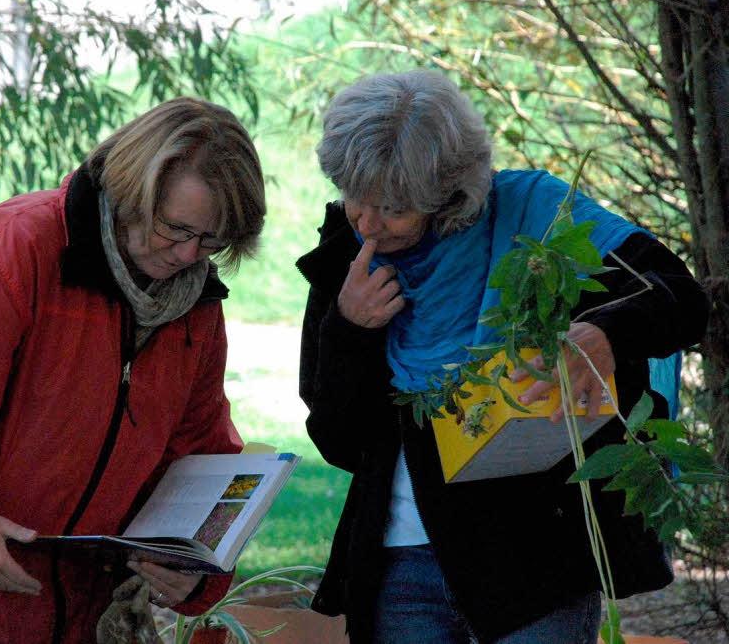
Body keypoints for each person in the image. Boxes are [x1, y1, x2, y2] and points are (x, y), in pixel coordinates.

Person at [296, 70, 709, 643]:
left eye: (392, 208)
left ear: (446, 195)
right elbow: (339, 441)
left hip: (537, 561)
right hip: (401, 562)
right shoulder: (350, 260)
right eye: (354, 198)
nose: (366, 222)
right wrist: (348, 329)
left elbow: (679, 296)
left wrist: (603, 334)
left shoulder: (533, 215)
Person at [0, 97, 266, 643]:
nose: (188, 255)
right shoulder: (9, 251)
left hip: (71, 614)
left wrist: (196, 562)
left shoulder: (196, 304)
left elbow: (198, 451)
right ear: (133, 191)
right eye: (175, 230)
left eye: (211, 241)